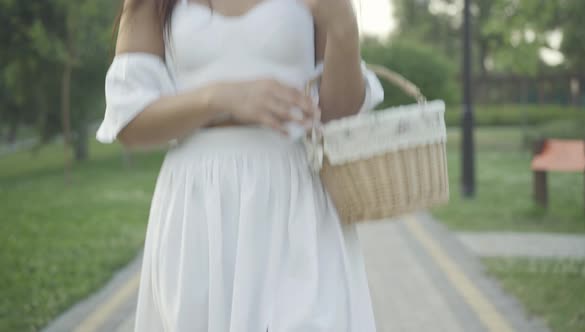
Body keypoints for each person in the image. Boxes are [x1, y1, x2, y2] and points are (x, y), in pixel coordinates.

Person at [96, 0, 384, 330]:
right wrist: (221, 97)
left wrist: (344, 27)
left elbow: (339, 118)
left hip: (294, 194)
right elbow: (130, 122)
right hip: (200, 203)